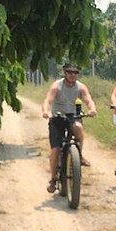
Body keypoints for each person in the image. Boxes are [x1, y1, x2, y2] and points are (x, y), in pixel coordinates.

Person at [42, 63, 97, 193]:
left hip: (73, 116)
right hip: (57, 118)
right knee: (55, 150)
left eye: (75, 73)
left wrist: (92, 109)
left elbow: (88, 99)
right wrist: (46, 111)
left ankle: (79, 155)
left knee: (78, 127)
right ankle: (53, 179)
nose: (72, 75)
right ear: (65, 73)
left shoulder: (81, 87)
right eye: (69, 72)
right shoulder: (57, 86)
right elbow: (48, 100)